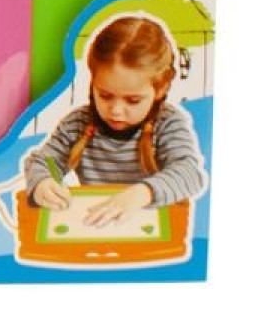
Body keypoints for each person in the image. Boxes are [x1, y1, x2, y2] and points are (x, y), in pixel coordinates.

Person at [25, 14, 206, 227]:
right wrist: (43, 182)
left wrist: (142, 193)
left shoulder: (167, 124)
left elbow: (189, 172)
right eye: (105, 95)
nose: (116, 111)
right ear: (93, 82)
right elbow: (44, 162)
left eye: (133, 100)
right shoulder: (78, 124)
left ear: (160, 89)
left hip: (150, 231)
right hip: (95, 227)